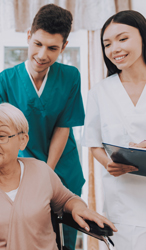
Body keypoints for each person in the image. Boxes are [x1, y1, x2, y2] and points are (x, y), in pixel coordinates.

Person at [0, 4, 85, 249]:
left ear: (64, 46)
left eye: (52, 48)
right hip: (20, 169)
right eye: (38, 44)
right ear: (29, 36)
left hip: (62, 168)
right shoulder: (5, 80)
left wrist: (43, 176)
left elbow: (64, 127)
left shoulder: (70, 77)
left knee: (63, 237)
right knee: (21, 232)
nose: (42, 54)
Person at [0, 103, 116, 250]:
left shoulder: (40, 170)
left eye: (1, 136)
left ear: (22, 140)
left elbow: (66, 199)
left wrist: (78, 208)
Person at [83, 10, 146, 250]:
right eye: (107, 44)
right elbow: (94, 144)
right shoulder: (100, 92)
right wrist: (108, 163)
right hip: (122, 204)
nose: (114, 49)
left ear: (143, 36)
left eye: (122, 39)